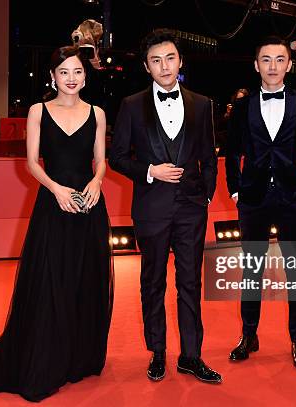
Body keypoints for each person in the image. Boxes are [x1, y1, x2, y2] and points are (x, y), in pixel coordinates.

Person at [0, 46, 114, 402]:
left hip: (89, 206)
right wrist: (56, 190)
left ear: (86, 76)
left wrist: (97, 182)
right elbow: (32, 164)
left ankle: (78, 357)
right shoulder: (38, 111)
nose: (71, 78)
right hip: (53, 205)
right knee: (51, 279)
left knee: (84, 278)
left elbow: (101, 161)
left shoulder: (97, 113)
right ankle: (46, 354)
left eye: (77, 72)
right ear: (53, 76)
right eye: (64, 72)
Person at [109, 29, 221, 384]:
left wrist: (205, 197)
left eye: (170, 58)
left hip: (191, 209)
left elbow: (209, 156)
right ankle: (157, 352)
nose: (164, 65)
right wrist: (148, 170)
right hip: (151, 209)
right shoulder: (130, 105)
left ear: (180, 61)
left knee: (190, 283)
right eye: (156, 60)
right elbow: (116, 157)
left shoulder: (203, 104)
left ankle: (191, 356)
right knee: (152, 282)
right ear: (147, 66)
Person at [225, 36, 296, 370]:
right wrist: (236, 190)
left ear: (289, 65)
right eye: (265, 59)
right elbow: (232, 152)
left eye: (279, 59)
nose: (272, 66)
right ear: (256, 65)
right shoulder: (242, 106)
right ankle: (249, 334)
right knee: (251, 271)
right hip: (253, 200)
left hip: (294, 199)